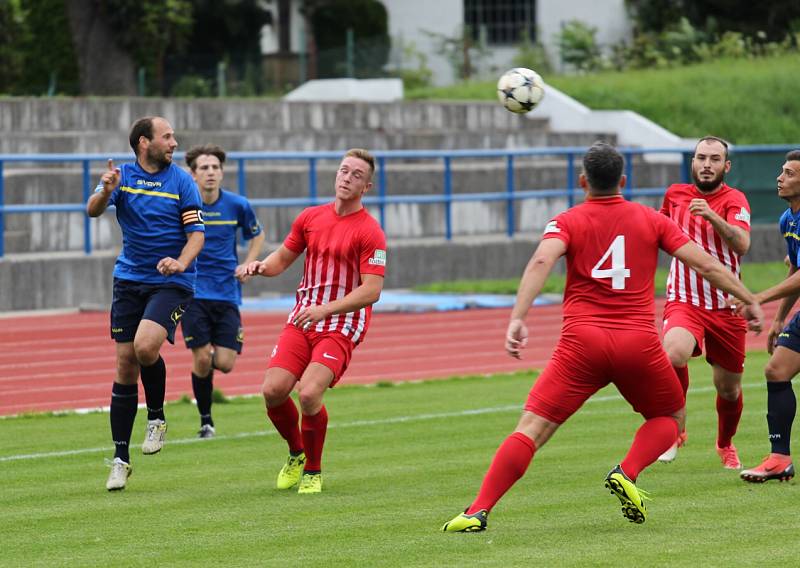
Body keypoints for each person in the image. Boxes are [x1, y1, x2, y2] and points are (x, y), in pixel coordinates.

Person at [441, 142, 763, 532]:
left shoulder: (567, 220)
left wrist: (518, 317)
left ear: (583, 181)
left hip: (582, 343)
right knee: (668, 417)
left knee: (531, 429)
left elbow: (542, 259)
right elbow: (707, 264)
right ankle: (627, 472)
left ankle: (477, 510)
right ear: (623, 181)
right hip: (637, 343)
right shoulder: (651, 219)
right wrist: (749, 298)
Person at [244, 148, 386, 494]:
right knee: (273, 391)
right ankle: (296, 453)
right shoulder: (310, 218)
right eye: (343, 170)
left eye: (356, 175)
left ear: (366, 186)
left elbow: (372, 291)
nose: (346, 178)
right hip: (303, 318)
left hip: (341, 324)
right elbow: (282, 259)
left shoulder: (371, 232)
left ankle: (313, 470)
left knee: (308, 394)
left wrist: (327, 309)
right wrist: (260, 267)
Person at [87, 116, 205, 491]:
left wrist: (181, 263)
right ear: (144, 142)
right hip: (130, 280)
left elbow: (196, 234)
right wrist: (106, 191)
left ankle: (156, 415)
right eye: (167, 136)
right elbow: (92, 209)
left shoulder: (182, 181)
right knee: (125, 364)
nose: (174, 142)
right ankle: (120, 459)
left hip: (172, 280)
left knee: (144, 346)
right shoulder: (120, 176)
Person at [657, 136, 753, 469]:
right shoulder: (674, 194)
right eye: (701, 158)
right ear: (693, 162)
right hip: (684, 299)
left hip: (726, 306)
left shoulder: (734, 200)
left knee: (728, 390)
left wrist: (713, 217)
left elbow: (741, 245)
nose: (707, 164)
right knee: (673, 353)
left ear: (726, 167)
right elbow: (658, 233)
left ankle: (725, 444)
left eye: (715, 159)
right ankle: (674, 428)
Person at [181, 144, 265, 438]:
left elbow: (257, 234)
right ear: (192, 175)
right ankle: (206, 421)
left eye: (215, 167)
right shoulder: (184, 205)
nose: (211, 173)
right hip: (192, 294)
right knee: (202, 357)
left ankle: (203, 374)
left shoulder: (237, 205)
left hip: (227, 293)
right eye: (204, 168)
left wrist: (249, 263)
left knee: (225, 364)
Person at [736, 150, 800, 483]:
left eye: (789, 173)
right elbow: (796, 268)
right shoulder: (787, 220)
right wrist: (778, 320)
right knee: (776, 370)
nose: (780, 177)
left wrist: (759, 297)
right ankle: (779, 459)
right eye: (781, 171)